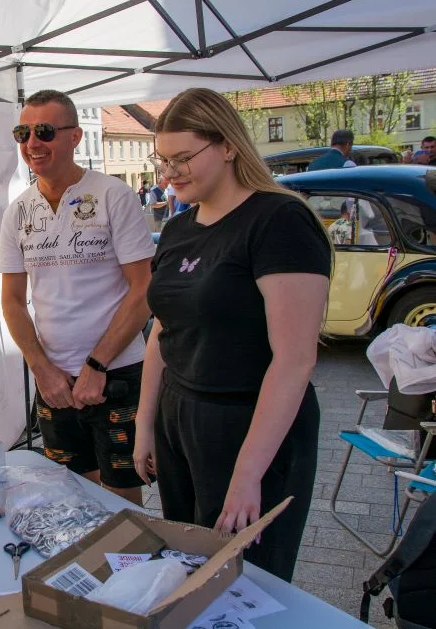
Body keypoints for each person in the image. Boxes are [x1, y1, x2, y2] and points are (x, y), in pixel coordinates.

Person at [134, 88, 331, 583]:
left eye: (183, 159)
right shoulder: (180, 227)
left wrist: (249, 474)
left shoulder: (279, 221)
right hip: (181, 419)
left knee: (245, 583)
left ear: (227, 146)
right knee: (189, 573)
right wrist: (146, 422)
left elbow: (295, 360)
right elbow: (164, 330)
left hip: (250, 425)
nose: (170, 173)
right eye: (163, 160)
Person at [0, 90, 156, 505]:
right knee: (72, 497)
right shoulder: (18, 210)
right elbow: (12, 302)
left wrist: (96, 364)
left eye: (45, 131)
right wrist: (43, 370)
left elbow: (144, 291)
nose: (32, 143)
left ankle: (129, 569)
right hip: (53, 380)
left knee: (123, 502)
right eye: (23, 132)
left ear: (75, 137)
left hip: (117, 375)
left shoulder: (112, 196)